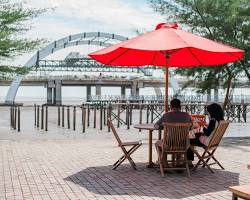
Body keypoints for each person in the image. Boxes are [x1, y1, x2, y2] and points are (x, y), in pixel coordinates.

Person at [154, 98, 192, 166]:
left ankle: (165, 164)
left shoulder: (166, 115)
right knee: (180, 140)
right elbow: (191, 127)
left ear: (171, 106)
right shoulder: (187, 115)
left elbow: (156, 125)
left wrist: (162, 127)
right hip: (183, 144)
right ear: (180, 106)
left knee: (157, 143)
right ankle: (178, 163)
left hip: (169, 144)